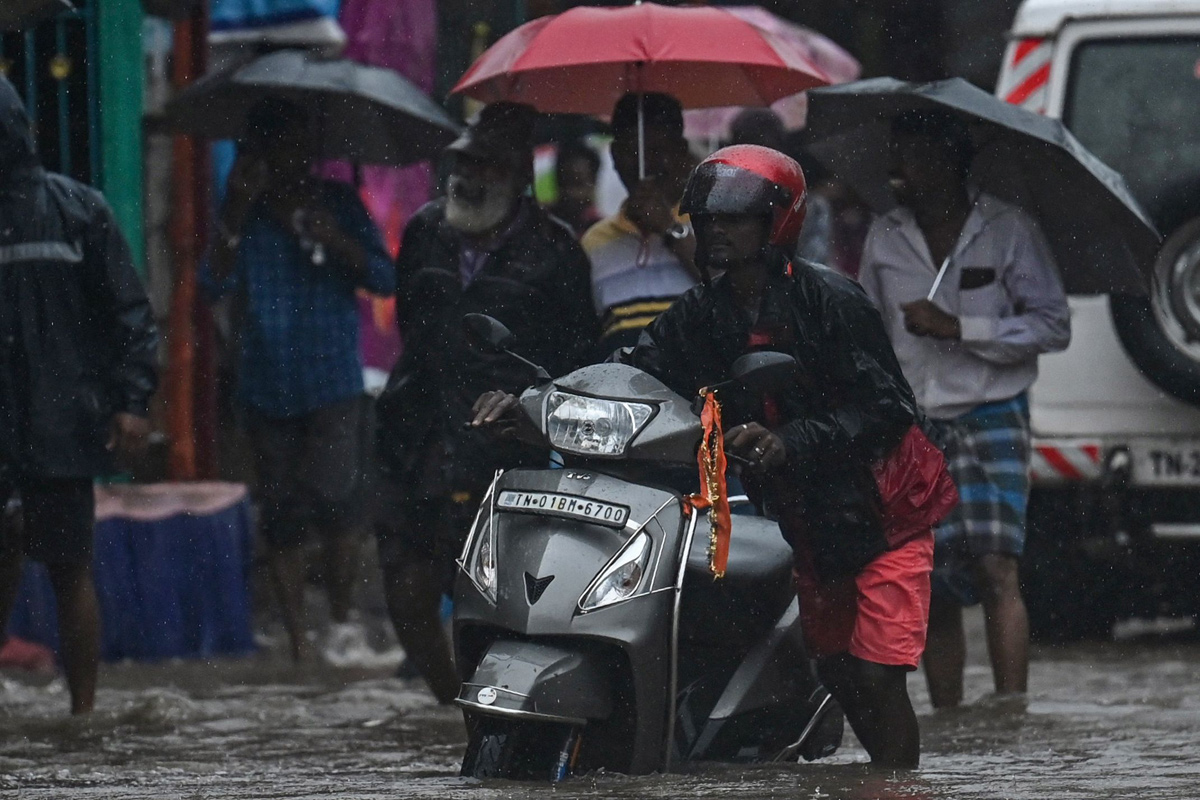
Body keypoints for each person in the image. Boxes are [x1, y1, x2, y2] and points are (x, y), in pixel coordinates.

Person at [473, 145, 957, 767]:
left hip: (886, 512)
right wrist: (537, 403)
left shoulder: (834, 301)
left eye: (734, 219)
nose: (716, 232)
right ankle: (875, 778)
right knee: (835, 666)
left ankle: (898, 786)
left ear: (776, 223)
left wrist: (791, 441)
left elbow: (889, 411)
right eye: (707, 220)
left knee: (875, 672)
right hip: (809, 517)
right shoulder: (703, 311)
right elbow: (634, 370)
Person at [374, 102, 598, 703]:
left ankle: (493, 706)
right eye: (462, 163)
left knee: (492, 589)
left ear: (520, 177)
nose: (467, 178)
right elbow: (411, 326)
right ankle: (450, 702)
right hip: (415, 431)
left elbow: (576, 364)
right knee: (405, 580)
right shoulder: (424, 231)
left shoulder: (556, 252)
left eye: (486, 166)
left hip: (500, 443)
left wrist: (525, 402)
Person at [857, 110, 1070, 709]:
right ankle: (948, 717)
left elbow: (1053, 325)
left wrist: (961, 327)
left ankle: (1010, 712)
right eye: (896, 155)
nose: (899, 169)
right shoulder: (885, 236)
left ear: (951, 160)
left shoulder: (1008, 228)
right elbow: (866, 332)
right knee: (934, 578)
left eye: (915, 155)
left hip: (993, 413)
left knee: (997, 567)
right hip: (917, 422)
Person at [201, 98, 395, 664]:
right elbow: (211, 283)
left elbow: (383, 276)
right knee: (283, 513)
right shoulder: (245, 211)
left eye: (299, 146)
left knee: (340, 505)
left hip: (331, 378)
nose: (292, 158)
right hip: (266, 382)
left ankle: (339, 623)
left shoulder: (337, 201)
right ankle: (298, 643)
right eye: (279, 145)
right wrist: (235, 210)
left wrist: (336, 239)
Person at [0, 76, 158, 714]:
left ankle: (84, 710)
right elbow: (130, 313)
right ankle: (83, 711)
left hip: (57, 422)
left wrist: (132, 400)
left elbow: (128, 312)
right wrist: (129, 400)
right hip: (57, 421)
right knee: (54, 571)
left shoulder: (79, 210)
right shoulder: (80, 207)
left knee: (67, 571)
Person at [582, 92, 698, 355]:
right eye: (630, 151)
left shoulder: (709, 226)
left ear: (681, 152)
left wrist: (669, 229)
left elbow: (728, 289)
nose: (644, 163)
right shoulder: (593, 242)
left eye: (658, 150)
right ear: (613, 155)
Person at [549, 138, 602, 237]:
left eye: (578, 184)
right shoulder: (546, 224)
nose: (569, 192)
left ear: (593, 183)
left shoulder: (601, 230)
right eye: (563, 184)